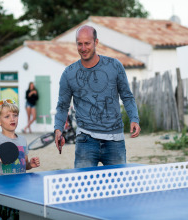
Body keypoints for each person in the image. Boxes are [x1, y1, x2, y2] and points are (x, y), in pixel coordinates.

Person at [54, 25, 141, 168]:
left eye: (87, 43)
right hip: (85, 140)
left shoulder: (114, 66)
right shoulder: (69, 73)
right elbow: (63, 105)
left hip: (115, 140)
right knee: (83, 188)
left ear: (96, 42)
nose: (83, 48)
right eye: (79, 44)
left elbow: (127, 95)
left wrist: (134, 118)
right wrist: (58, 130)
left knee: (118, 188)